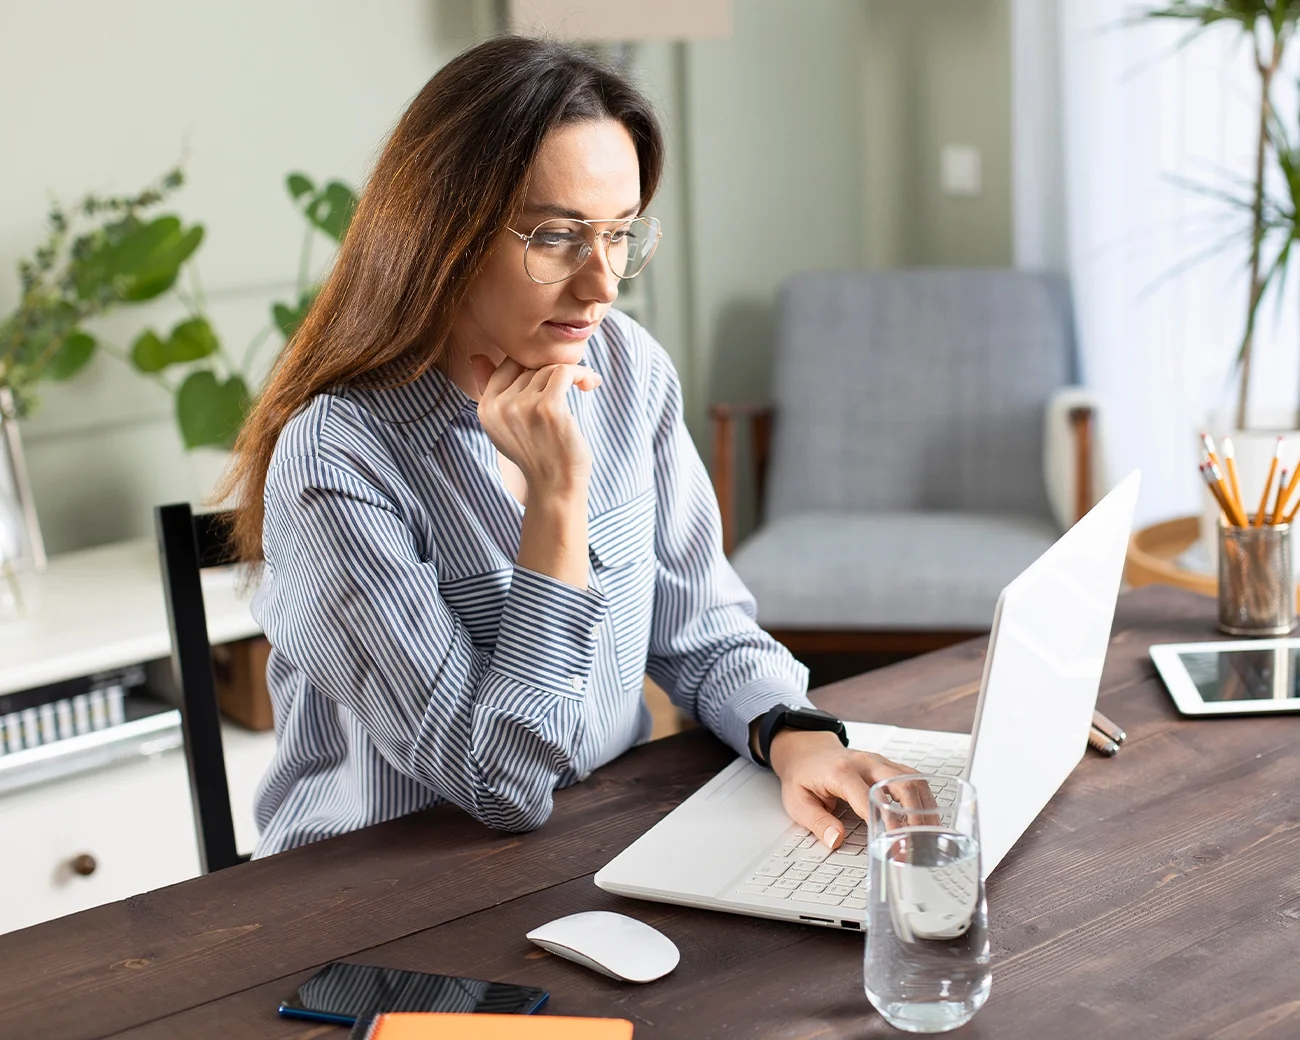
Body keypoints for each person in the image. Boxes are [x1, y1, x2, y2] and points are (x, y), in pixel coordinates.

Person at [225, 36, 924, 859]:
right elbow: (500, 780)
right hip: (381, 885)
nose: (602, 285)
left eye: (619, 234)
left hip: (594, 837)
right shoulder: (337, 461)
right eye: (557, 237)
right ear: (443, 234)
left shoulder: (628, 371)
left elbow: (700, 624)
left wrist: (796, 736)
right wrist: (555, 499)